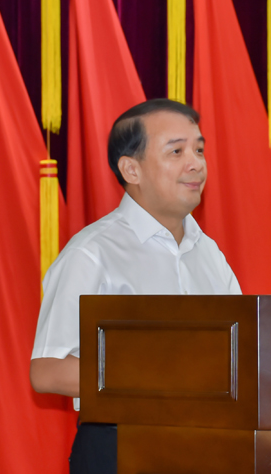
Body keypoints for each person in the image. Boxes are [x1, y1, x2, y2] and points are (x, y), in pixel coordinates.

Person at [30, 99, 241, 474]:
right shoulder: (92, 252)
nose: (196, 163)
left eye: (199, 150)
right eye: (176, 151)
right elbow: (47, 370)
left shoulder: (208, 252)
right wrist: (160, 375)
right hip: (121, 448)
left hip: (209, 445)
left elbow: (242, 350)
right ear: (131, 169)